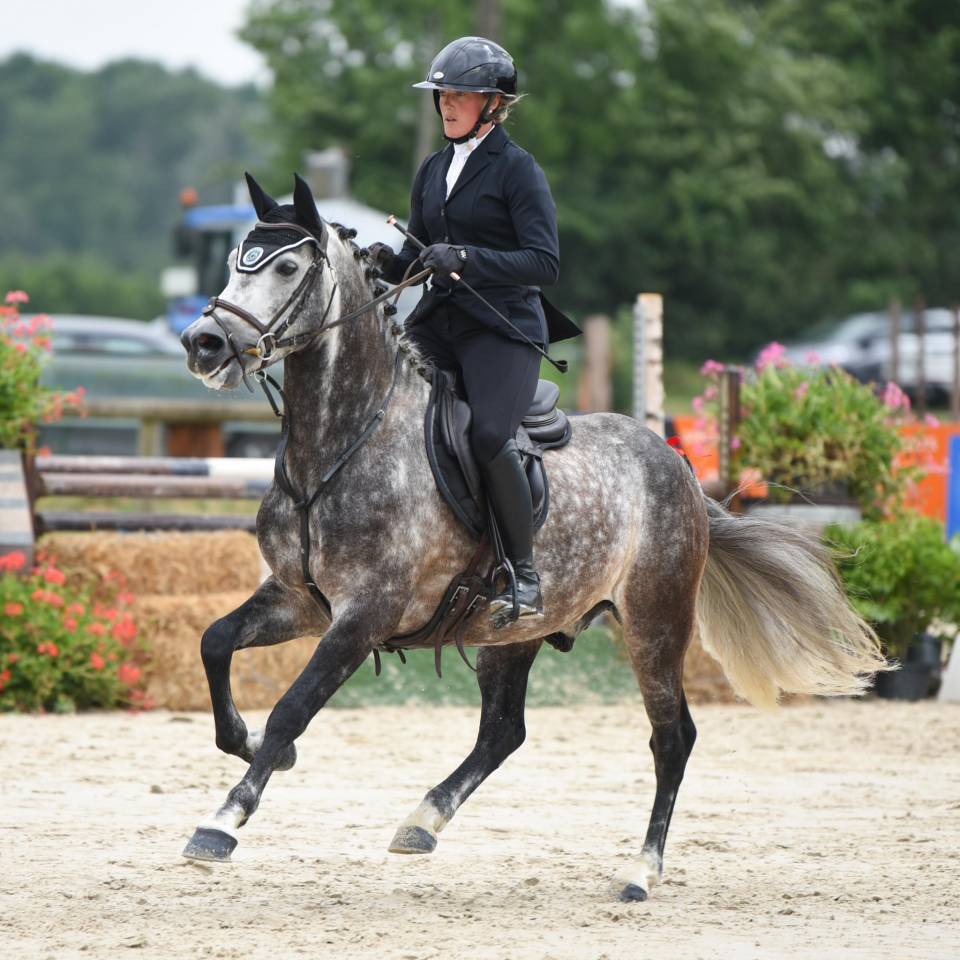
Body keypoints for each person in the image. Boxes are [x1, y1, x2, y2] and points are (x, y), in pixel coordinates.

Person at [368, 36, 579, 626]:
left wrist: (464, 255)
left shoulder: (517, 169)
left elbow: (545, 263)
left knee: (488, 435)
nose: (445, 105)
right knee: (385, 409)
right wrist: (380, 260)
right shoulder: (433, 169)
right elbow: (419, 254)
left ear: (492, 102)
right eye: (441, 95)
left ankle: (524, 574)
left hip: (502, 327)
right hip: (440, 322)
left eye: (457, 94)